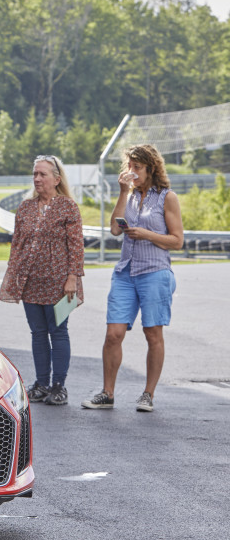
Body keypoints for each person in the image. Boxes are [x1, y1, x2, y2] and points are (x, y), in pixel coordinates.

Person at [82, 144, 184, 412]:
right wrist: (122, 191)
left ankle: (148, 394)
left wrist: (146, 234)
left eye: (137, 167)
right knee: (113, 334)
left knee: (152, 333)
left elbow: (177, 241)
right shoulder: (129, 195)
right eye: (129, 167)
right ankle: (107, 393)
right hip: (126, 272)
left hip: (155, 272)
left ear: (151, 168)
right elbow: (116, 229)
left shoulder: (166, 197)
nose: (132, 172)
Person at [0, 155, 84, 406]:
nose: (37, 178)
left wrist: (73, 279)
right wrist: (14, 277)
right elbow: (17, 246)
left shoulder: (68, 206)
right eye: (35, 174)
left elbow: (76, 246)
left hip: (59, 282)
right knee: (37, 333)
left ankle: (59, 385)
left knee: (58, 332)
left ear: (56, 179)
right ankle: (41, 383)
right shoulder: (25, 207)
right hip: (30, 281)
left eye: (42, 174)